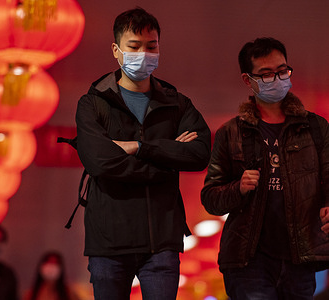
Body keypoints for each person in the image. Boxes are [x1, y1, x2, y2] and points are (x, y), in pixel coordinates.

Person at [75, 7, 211, 300]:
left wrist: (140, 147)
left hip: (161, 242)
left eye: (152, 47)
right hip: (109, 243)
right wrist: (166, 162)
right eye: (134, 47)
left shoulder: (177, 104)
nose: (144, 54)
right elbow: (100, 162)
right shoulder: (93, 104)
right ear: (116, 50)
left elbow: (199, 154)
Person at [200, 37, 329, 299]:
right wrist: (238, 188)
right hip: (249, 260)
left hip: (300, 257)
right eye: (267, 74)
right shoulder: (231, 133)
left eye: (282, 71)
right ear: (249, 80)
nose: (277, 79)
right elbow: (210, 198)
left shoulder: (315, 128)